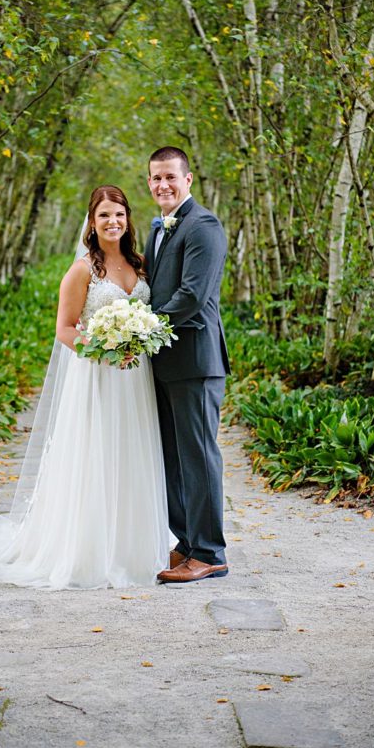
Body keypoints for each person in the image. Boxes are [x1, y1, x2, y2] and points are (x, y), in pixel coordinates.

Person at [0, 185, 170, 590]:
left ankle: (133, 548)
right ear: (92, 223)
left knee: (132, 452)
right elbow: (64, 329)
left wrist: (137, 343)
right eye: (104, 215)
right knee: (96, 455)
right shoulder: (82, 270)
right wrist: (105, 351)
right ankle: (89, 552)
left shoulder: (141, 264)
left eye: (120, 215)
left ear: (129, 219)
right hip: (97, 376)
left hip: (135, 377)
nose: (113, 222)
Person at [144, 146, 231, 584]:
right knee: (174, 460)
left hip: (195, 362)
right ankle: (188, 543)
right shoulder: (156, 229)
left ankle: (211, 552)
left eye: (170, 177)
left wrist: (143, 328)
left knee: (198, 456)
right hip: (163, 363)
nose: (163, 185)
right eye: (156, 178)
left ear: (188, 179)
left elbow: (193, 296)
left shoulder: (203, 225)